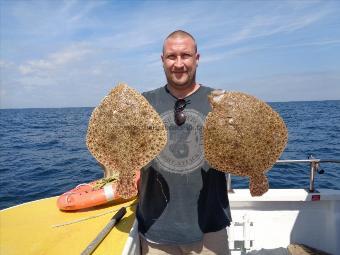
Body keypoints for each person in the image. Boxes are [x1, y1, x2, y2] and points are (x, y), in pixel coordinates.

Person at [135, 30, 232, 255]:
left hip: (210, 228)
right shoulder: (143, 102)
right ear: (162, 61)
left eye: (185, 55)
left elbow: (239, 152)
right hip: (156, 228)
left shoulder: (221, 101)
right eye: (172, 56)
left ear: (197, 58)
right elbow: (120, 149)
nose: (179, 63)